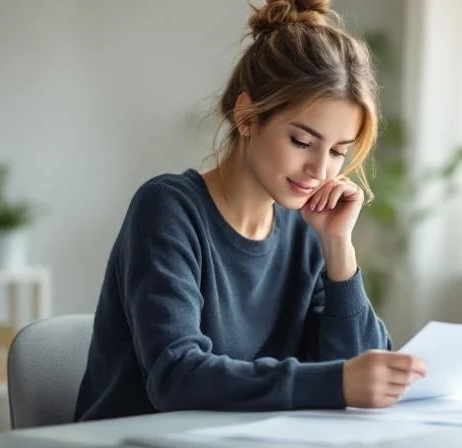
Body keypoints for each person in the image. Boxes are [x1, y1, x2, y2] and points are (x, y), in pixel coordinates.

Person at [74, 0, 428, 422]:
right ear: (247, 115)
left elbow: (357, 374)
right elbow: (176, 376)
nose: (319, 170)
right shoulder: (168, 209)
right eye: (301, 141)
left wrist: (338, 248)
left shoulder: (306, 229)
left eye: (337, 152)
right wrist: (333, 382)